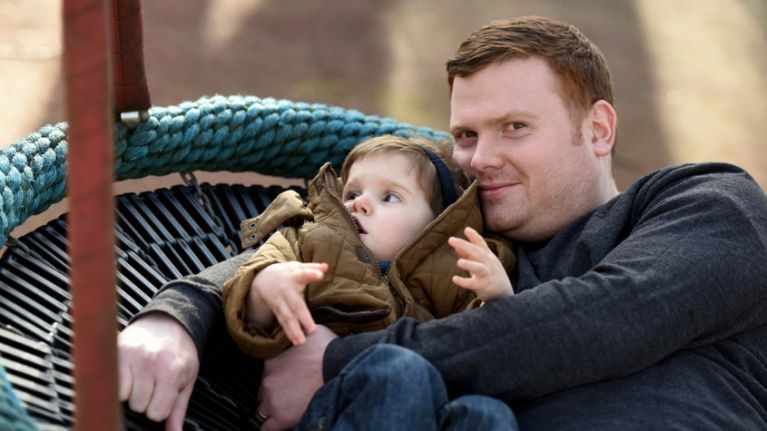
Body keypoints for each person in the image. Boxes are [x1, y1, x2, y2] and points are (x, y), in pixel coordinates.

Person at [118, 15, 767, 431]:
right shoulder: (462, 237)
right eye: (464, 133)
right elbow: (322, 242)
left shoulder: (706, 203)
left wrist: (341, 358)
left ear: (596, 129)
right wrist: (177, 315)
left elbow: (601, 318)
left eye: (514, 127)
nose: (481, 158)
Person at [222, 135, 515, 358]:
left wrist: (498, 298)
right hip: (332, 400)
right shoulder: (310, 238)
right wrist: (263, 288)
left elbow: (480, 346)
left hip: (424, 403)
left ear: (436, 224)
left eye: (389, 197)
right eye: (352, 192)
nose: (358, 204)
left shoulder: (455, 266)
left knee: (484, 412)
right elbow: (251, 300)